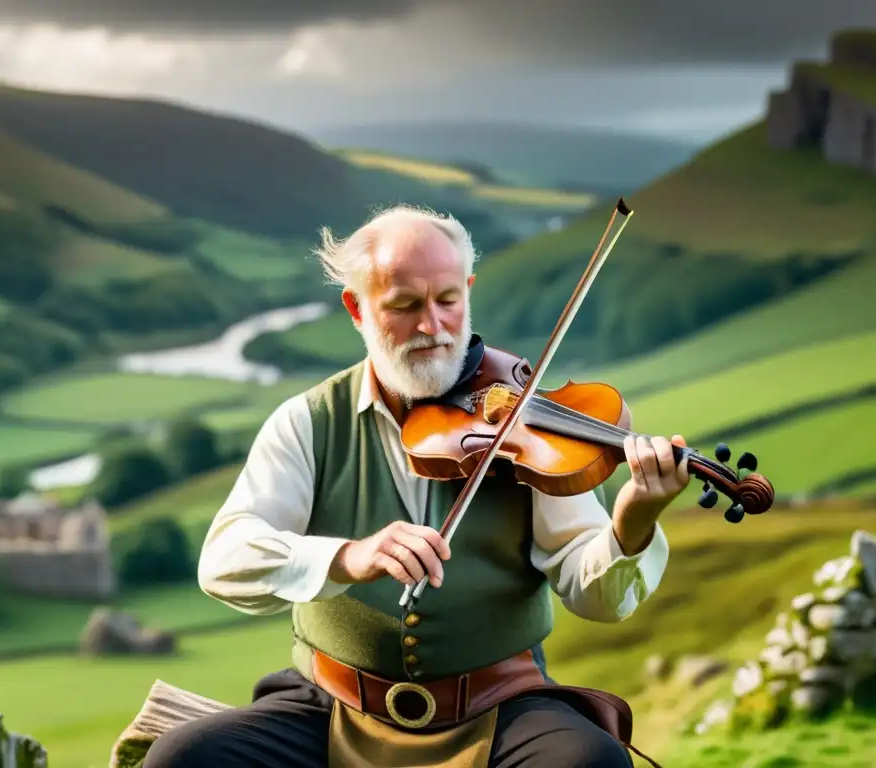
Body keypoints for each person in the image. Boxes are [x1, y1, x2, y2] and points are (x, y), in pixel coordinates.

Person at [143, 205, 690, 768]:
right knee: (182, 756)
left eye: (448, 301)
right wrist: (346, 557)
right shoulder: (309, 421)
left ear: (468, 291)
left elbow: (594, 595)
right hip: (331, 704)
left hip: (500, 706)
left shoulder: (528, 420)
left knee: (589, 762)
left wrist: (633, 524)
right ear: (357, 308)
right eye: (404, 306)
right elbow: (225, 560)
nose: (432, 326)